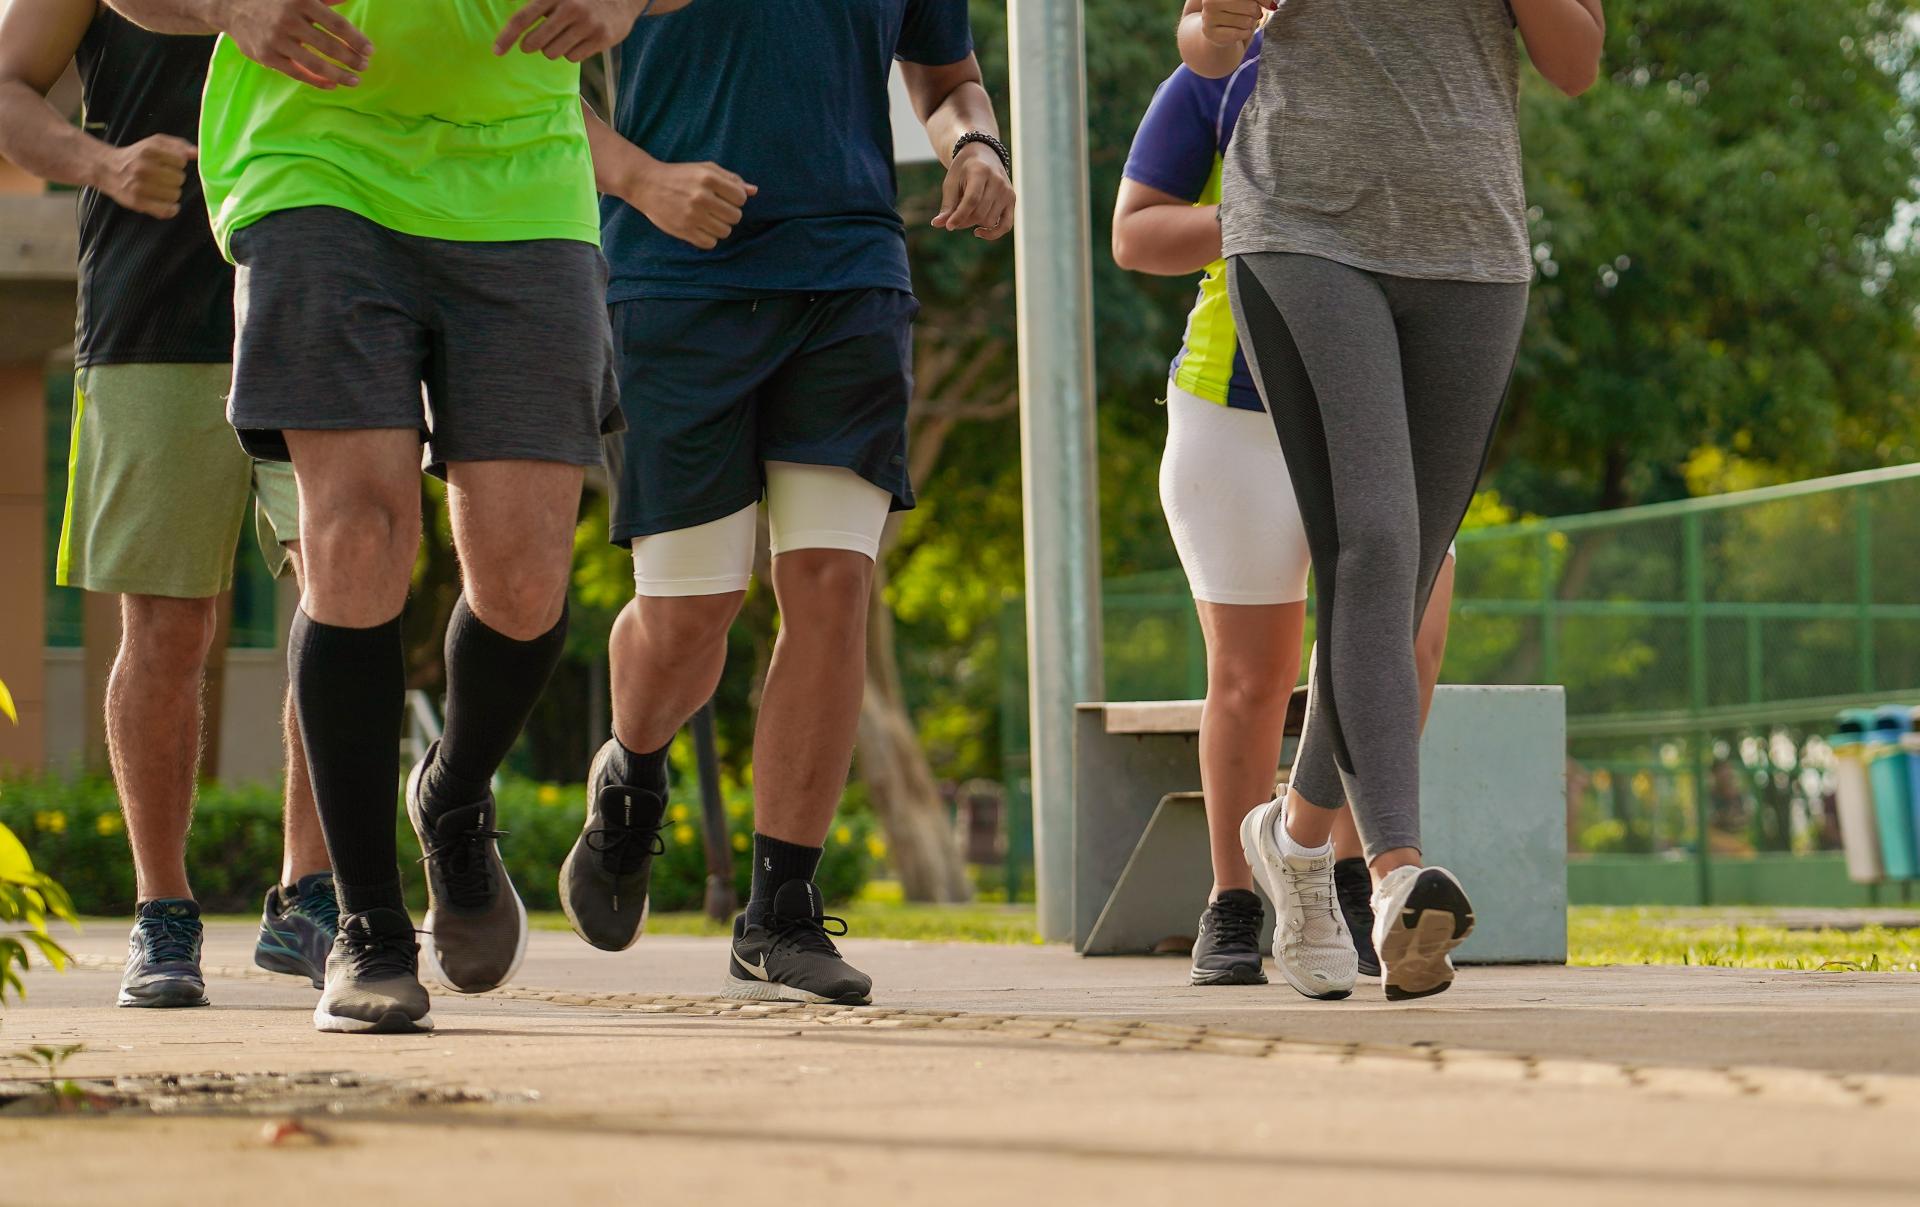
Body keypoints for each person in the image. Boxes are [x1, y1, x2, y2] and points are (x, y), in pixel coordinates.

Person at [107, 0, 668, 1033]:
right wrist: (232, 8)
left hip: (525, 188)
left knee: (526, 575)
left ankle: (451, 797)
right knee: (355, 537)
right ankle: (367, 925)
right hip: (312, 167)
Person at [568, 0, 1014, 1004]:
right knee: (691, 615)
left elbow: (946, 78)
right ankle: (635, 769)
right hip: (676, 284)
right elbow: (524, 84)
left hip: (849, 278)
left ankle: (782, 908)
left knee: (831, 587)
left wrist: (975, 144)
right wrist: (643, 181)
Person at [1182, 0, 1602, 1001]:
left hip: (1473, 246)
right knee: (1373, 536)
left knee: (1403, 573)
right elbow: (1201, 40)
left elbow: (1576, 61)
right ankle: (1393, 871)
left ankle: (1290, 839)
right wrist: (1222, 22)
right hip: (1302, 227)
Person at [0, 0, 338, 1010]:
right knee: (167, 625)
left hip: (327, 304)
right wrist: (98, 164)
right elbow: (6, 86)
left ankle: (312, 894)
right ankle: (164, 911)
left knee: (345, 598)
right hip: (149, 313)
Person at [1112, 26, 1459, 993]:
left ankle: (1343, 869)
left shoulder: (1422, 64)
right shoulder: (1219, 73)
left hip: (1384, 404)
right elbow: (1135, 232)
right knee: (1252, 678)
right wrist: (1267, 219)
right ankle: (1234, 900)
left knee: (1411, 634)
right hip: (1237, 409)